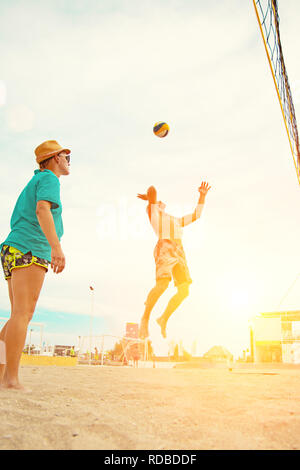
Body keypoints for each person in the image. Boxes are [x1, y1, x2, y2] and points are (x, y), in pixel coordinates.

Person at [0, 140, 70, 390]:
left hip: (13, 248)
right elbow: (42, 210)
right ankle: (11, 379)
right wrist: (56, 247)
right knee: (23, 314)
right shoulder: (49, 179)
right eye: (66, 157)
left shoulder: (35, 181)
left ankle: (2, 376)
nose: (68, 162)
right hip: (29, 247)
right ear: (54, 158)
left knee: (17, 315)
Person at [137, 181, 211, 339]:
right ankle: (145, 318)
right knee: (163, 284)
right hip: (165, 247)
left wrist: (202, 196)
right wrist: (150, 199)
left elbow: (196, 215)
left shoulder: (176, 221)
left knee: (184, 291)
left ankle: (163, 318)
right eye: (158, 204)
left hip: (180, 251)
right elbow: (152, 189)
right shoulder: (154, 215)